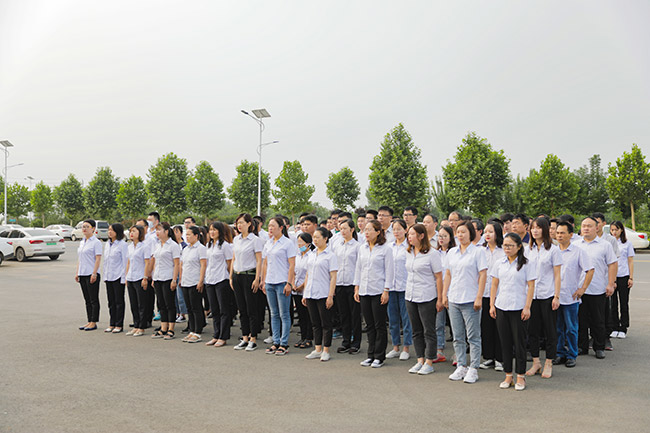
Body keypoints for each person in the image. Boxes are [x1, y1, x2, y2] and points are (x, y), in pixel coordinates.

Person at [489, 233, 536, 391]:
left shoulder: (526, 264)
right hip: (501, 306)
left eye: (510, 245)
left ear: (519, 246)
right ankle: (508, 375)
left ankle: (520, 376)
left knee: (519, 343)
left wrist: (527, 307)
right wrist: (492, 305)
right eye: (505, 245)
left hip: (519, 307)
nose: (507, 248)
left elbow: (531, 286)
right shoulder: (499, 263)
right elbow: (494, 284)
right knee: (505, 343)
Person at [442, 220, 487, 383]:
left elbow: (483, 275)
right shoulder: (452, 252)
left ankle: (474, 368)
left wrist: (479, 297)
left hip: (470, 299)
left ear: (471, 234)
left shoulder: (478, 252)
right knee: (458, 336)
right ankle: (461, 365)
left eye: (464, 232)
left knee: (473, 336)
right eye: (458, 232)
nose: (460, 235)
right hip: (454, 298)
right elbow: (448, 274)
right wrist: (444, 294)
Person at [404, 224, 443, 375]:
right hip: (410, 295)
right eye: (409, 234)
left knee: (429, 330)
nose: (409, 237)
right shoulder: (408, 252)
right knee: (416, 330)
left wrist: (440, 299)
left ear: (421, 236)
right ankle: (420, 359)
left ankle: (429, 361)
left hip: (427, 296)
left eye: (412, 234)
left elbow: (438, 277)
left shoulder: (432, 254)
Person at [525, 217, 562, 378]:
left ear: (545, 230)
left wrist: (556, 296)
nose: (535, 230)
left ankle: (548, 362)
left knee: (549, 330)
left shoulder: (553, 250)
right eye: (533, 227)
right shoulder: (527, 250)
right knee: (532, 330)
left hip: (547, 294)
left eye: (538, 227)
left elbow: (557, 275)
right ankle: (536, 362)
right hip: (531, 296)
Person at [354, 220, 394, 368]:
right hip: (364, 290)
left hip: (378, 290)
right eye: (365, 229)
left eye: (370, 229)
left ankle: (379, 356)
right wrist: (356, 287)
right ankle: (370, 355)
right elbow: (358, 268)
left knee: (379, 324)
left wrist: (386, 290)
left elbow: (389, 270)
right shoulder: (362, 248)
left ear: (378, 232)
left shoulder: (385, 249)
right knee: (369, 324)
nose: (367, 232)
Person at [576, 217, 617, 359]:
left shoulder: (605, 245)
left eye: (589, 226)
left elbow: (612, 264)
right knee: (580, 320)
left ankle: (599, 347)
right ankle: (582, 346)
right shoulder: (575, 245)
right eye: (583, 226)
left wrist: (610, 283)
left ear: (597, 228)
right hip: (578, 289)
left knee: (598, 320)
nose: (586, 228)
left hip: (598, 288)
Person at [554, 221, 594, 368]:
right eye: (557, 233)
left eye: (562, 233)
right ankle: (559, 353)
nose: (559, 235)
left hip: (571, 297)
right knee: (558, 328)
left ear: (571, 235)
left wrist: (583, 288)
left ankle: (572, 355)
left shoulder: (578, 252)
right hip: (555, 297)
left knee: (571, 328)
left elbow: (590, 270)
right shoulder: (553, 251)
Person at [261, 217, 297, 355]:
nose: (270, 228)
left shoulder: (287, 243)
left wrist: (289, 283)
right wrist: (263, 281)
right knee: (273, 314)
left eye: (273, 226)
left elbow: (292, 264)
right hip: (270, 282)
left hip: (282, 282)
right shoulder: (268, 243)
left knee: (284, 314)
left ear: (281, 228)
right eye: (269, 226)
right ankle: (275, 341)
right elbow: (265, 263)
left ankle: (284, 343)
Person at [303, 227, 339, 362]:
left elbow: (333, 277)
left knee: (326, 323)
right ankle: (317, 349)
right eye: (314, 237)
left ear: (325, 238)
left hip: (323, 293)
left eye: (318, 237)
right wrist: (305, 293)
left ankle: (326, 350)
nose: (315, 240)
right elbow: (308, 274)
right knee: (315, 323)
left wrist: (330, 296)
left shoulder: (330, 255)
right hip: (311, 292)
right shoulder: (311, 254)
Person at [230, 213, 264, 351]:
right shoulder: (236, 239)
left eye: (242, 223)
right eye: (238, 223)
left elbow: (259, 260)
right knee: (242, 309)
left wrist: (257, 278)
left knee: (251, 309)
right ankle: (244, 337)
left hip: (249, 276)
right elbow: (234, 258)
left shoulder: (255, 240)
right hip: (237, 276)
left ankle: (253, 338)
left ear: (249, 224)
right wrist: (231, 276)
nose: (239, 225)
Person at [333, 218, 361, 354]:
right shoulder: (337, 245)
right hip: (339, 283)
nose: (342, 231)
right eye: (341, 229)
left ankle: (356, 343)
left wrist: (357, 286)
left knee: (355, 314)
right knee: (343, 314)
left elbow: (360, 267)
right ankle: (346, 341)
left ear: (352, 229)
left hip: (352, 284)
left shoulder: (358, 246)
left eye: (345, 228)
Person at [479, 221, 505, 371]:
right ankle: (488, 357)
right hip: (484, 293)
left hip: (500, 294)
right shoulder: (481, 251)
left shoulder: (503, 251)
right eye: (485, 232)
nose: (487, 234)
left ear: (497, 233)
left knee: (499, 327)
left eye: (491, 231)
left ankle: (500, 359)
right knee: (486, 327)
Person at [204, 222, 234, 347]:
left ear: (220, 232)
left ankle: (223, 336)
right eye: (210, 230)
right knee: (214, 310)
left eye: (214, 230)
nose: (212, 232)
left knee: (224, 310)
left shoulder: (225, 246)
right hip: (210, 279)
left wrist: (230, 277)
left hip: (221, 279)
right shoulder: (209, 245)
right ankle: (216, 335)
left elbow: (229, 263)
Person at [386, 219, 412, 361]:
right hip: (391, 287)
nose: (396, 232)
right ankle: (395, 347)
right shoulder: (389, 246)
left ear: (405, 230)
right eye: (394, 229)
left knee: (406, 319)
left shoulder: (409, 247)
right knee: (393, 319)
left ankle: (406, 348)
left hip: (405, 287)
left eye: (399, 229)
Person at [150, 222, 181, 340]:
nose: (157, 233)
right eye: (156, 230)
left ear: (166, 231)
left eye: (159, 230)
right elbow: (155, 262)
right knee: (161, 304)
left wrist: (174, 279)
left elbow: (176, 264)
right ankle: (163, 328)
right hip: (158, 277)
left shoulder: (173, 245)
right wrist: (153, 277)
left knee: (169, 304)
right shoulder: (157, 245)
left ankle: (171, 329)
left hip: (168, 277)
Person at [179, 226, 207, 343]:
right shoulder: (186, 249)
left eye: (189, 234)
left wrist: (201, 281)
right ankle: (192, 330)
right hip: (186, 281)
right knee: (189, 308)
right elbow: (182, 265)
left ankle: (198, 332)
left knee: (196, 307)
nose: (187, 237)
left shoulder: (201, 248)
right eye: (186, 235)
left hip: (195, 281)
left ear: (196, 236)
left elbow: (203, 265)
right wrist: (181, 279)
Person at [609, 221, 634, 339]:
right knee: (613, 303)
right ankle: (614, 326)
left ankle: (623, 327)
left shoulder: (627, 244)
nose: (614, 232)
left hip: (623, 276)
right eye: (612, 230)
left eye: (616, 229)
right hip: (611, 277)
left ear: (621, 230)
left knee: (624, 303)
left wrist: (631, 277)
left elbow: (630, 261)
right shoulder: (608, 243)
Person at [76, 219, 103, 331]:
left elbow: (98, 259)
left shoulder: (96, 242)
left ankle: (94, 322)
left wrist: (94, 273)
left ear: (93, 229)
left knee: (93, 299)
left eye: (87, 227)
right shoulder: (82, 242)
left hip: (91, 274)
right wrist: (77, 272)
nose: (84, 229)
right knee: (87, 299)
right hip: (82, 273)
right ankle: (89, 320)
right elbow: (80, 259)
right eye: (83, 227)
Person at [125, 225, 151, 337]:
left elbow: (147, 263)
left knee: (142, 304)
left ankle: (141, 327)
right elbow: (128, 262)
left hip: (140, 277)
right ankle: (136, 325)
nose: (131, 233)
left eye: (134, 231)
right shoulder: (130, 247)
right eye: (130, 231)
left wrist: (145, 277)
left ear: (140, 233)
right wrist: (126, 276)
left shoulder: (144, 246)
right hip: (131, 277)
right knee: (133, 303)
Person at [435, 226, 456, 363]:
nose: (441, 239)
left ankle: (456, 353)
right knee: (438, 323)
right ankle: (439, 350)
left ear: (450, 238)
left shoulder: (454, 253)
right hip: (438, 292)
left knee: (455, 325)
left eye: (444, 236)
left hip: (452, 292)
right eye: (440, 236)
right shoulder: (435, 253)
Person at [102, 223, 128, 333]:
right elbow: (106, 262)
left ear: (118, 232)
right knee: (111, 302)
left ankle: (119, 324)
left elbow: (125, 262)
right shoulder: (107, 244)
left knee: (119, 301)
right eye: (109, 230)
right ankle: (112, 323)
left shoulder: (122, 245)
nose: (109, 232)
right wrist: (105, 275)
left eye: (112, 230)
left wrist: (124, 278)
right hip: (109, 276)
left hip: (118, 276)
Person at [293, 232, 314, 349]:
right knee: (301, 315)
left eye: (301, 242)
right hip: (296, 289)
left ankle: (309, 338)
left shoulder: (311, 256)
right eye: (298, 242)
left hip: (306, 289)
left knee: (308, 315)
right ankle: (303, 336)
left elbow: (310, 274)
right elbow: (293, 271)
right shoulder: (297, 256)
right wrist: (293, 284)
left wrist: (302, 286)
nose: (299, 244)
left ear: (308, 244)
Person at [173, 225, 189, 323]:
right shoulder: (173, 244)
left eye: (177, 232)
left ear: (181, 233)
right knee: (175, 296)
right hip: (174, 272)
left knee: (181, 296)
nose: (175, 234)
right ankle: (178, 313)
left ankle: (183, 314)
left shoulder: (184, 246)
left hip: (182, 272)